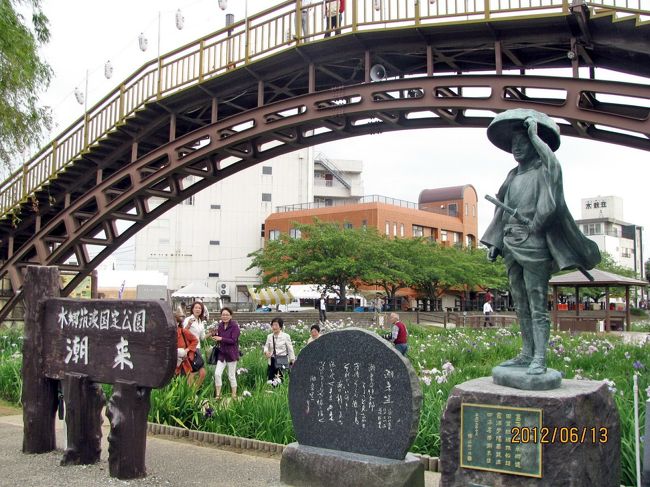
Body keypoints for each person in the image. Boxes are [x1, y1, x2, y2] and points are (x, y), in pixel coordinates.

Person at [480, 109, 600, 375]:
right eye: (514, 145)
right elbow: (500, 212)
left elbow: (554, 170)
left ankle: (540, 357)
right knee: (519, 301)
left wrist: (535, 135)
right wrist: (494, 244)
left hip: (534, 244)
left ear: (534, 146)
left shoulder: (544, 170)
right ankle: (525, 353)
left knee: (536, 302)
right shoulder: (512, 177)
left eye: (523, 144)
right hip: (511, 242)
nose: (517, 149)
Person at [210, 307, 241, 399]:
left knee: (231, 375)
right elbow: (219, 337)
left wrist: (221, 338)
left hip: (231, 354)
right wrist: (214, 336)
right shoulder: (220, 325)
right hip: (222, 353)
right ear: (221, 316)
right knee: (217, 374)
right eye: (223, 315)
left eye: (227, 315)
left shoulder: (235, 326)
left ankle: (234, 395)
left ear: (231, 316)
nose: (225, 316)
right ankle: (218, 395)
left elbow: (233, 340)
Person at [263, 317, 295, 385]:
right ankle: (271, 393)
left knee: (280, 380)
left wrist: (292, 360)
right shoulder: (269, 336)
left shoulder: (286, 336)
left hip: (282, 361)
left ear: (280, 326)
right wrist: (266, 352)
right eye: (273, 325)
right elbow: (266, 346)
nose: (274, 327)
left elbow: (290, 349)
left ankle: (279, 393)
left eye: (276, 325)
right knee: (270, 379)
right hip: (272, 361)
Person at [182, 301, 207, 386]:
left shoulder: (200, 321)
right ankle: (191, 395)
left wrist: (211, 333)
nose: (198, 309)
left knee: (202, 373)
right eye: (196, 307)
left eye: (199, 308)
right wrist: (189, 324)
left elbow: (202, 337)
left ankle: (194, 392)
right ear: (192, 309)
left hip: (198, 349)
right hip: (191, 348)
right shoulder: (188, 319)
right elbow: (183, 332)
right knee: (192, 372)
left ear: (202, 310)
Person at [175, 311, 198, 379]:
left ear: (178, 323)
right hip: (172, 362)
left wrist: (187, 350)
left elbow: (195, 340)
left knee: (182, 381)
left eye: (175, 322)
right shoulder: (168, 333)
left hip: (183, 361)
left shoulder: (183, 331)